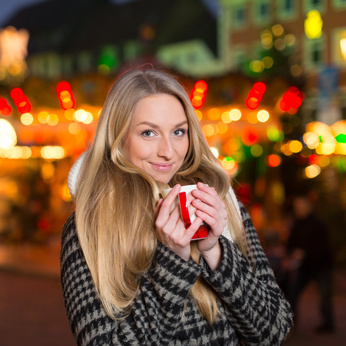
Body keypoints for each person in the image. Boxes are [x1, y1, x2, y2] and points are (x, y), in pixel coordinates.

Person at [60, 67, 293, 345]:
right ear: (118, 138)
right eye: (148, 133)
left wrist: (215, 251)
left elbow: (275, 331)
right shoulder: (87, 227)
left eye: (178, 132)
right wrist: (172, 261)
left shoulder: (222, 203)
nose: (168, 151)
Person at [285, 193, 335, 333]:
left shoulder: (318, 224)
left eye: (301, 206)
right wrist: (290, 255)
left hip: (321, 266)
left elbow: (323, 247)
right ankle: (290, 323)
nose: (298, 209)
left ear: (308, 207)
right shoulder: (295, 224)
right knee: (293, 293)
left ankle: (328, 324)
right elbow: (290, 244)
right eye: (297, 207)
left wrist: (304, 253)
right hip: (304, 266)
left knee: (325, 296)